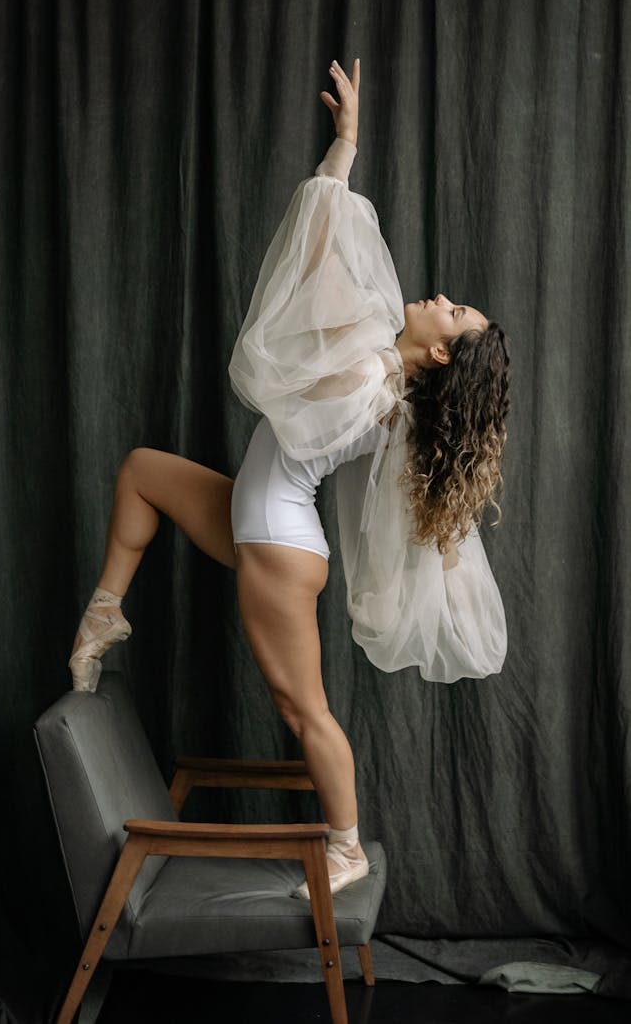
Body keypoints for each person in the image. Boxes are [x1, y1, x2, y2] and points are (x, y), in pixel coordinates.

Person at [68, 59, 510, 898]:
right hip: (259, 514)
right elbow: (321, 249)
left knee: (303, 709)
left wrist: (340, 168)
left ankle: (343, 849)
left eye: (454, 311)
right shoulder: (380, 361)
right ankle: (104, 615)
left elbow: (303, 315)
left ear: (442, 351)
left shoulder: (374, 382)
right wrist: (343, 148)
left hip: (276, 536)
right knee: (141, 472)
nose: (444, 296)